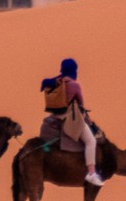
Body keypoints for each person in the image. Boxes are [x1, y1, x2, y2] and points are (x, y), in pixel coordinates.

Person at [42, 58, 102, 186]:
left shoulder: (56, 82)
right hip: (70, 118)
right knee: (91, 141)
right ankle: (91, 173)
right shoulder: (74, 85)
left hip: (55, 117)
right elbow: (80, 104)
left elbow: (45, 86)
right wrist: (88, 120)